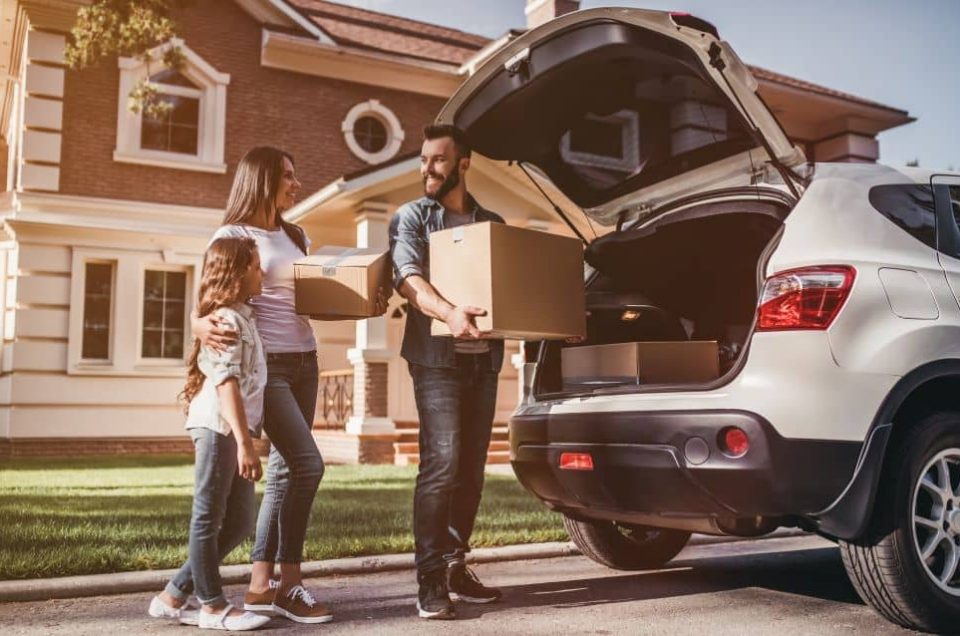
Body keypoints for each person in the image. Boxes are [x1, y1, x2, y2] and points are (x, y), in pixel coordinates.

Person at [193, 147, 331, 624]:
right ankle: (288, 582)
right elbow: (209, 299)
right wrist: (196, 326)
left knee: (288, 471)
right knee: (308, 464)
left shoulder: (296, 235)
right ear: (263, 179)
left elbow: (306, 296)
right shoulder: (230, 234)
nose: (296, 183)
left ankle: (260, 586)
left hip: (305, 360)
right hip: (266, 365)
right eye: (287, 176)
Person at [389, 124, 505, 620]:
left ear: (463, 164)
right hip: (436, 362)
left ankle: (457, 565)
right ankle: (430, 578)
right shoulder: (413, 217)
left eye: (437, 160)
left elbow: (513, 287)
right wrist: (451, 312)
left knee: (472, 471)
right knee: (441, 466)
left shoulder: (490, 223)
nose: (427, 170)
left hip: (484, 362)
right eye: (423, 160)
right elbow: (407, 278)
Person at [148, 236, 271, 632]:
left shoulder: (243, 315)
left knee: (238, 522)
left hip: (231, 428)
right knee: (208, 517)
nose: (262, 272)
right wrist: (245, 442)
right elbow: (226, 384)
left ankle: (172, 595)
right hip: (218, 426)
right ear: (237, 273)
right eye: (256, 265)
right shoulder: (225, 321)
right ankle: (213, 606)